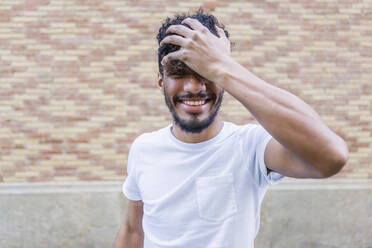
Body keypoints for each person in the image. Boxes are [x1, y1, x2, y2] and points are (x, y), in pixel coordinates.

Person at [113, 9, 348, 248]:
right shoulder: (144, 148)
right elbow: (133, 229)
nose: (194, 86)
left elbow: (332, 156)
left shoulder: (251, 146)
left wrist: (224, 67)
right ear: (161, 82)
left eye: (205, 71)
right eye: (179, 72)